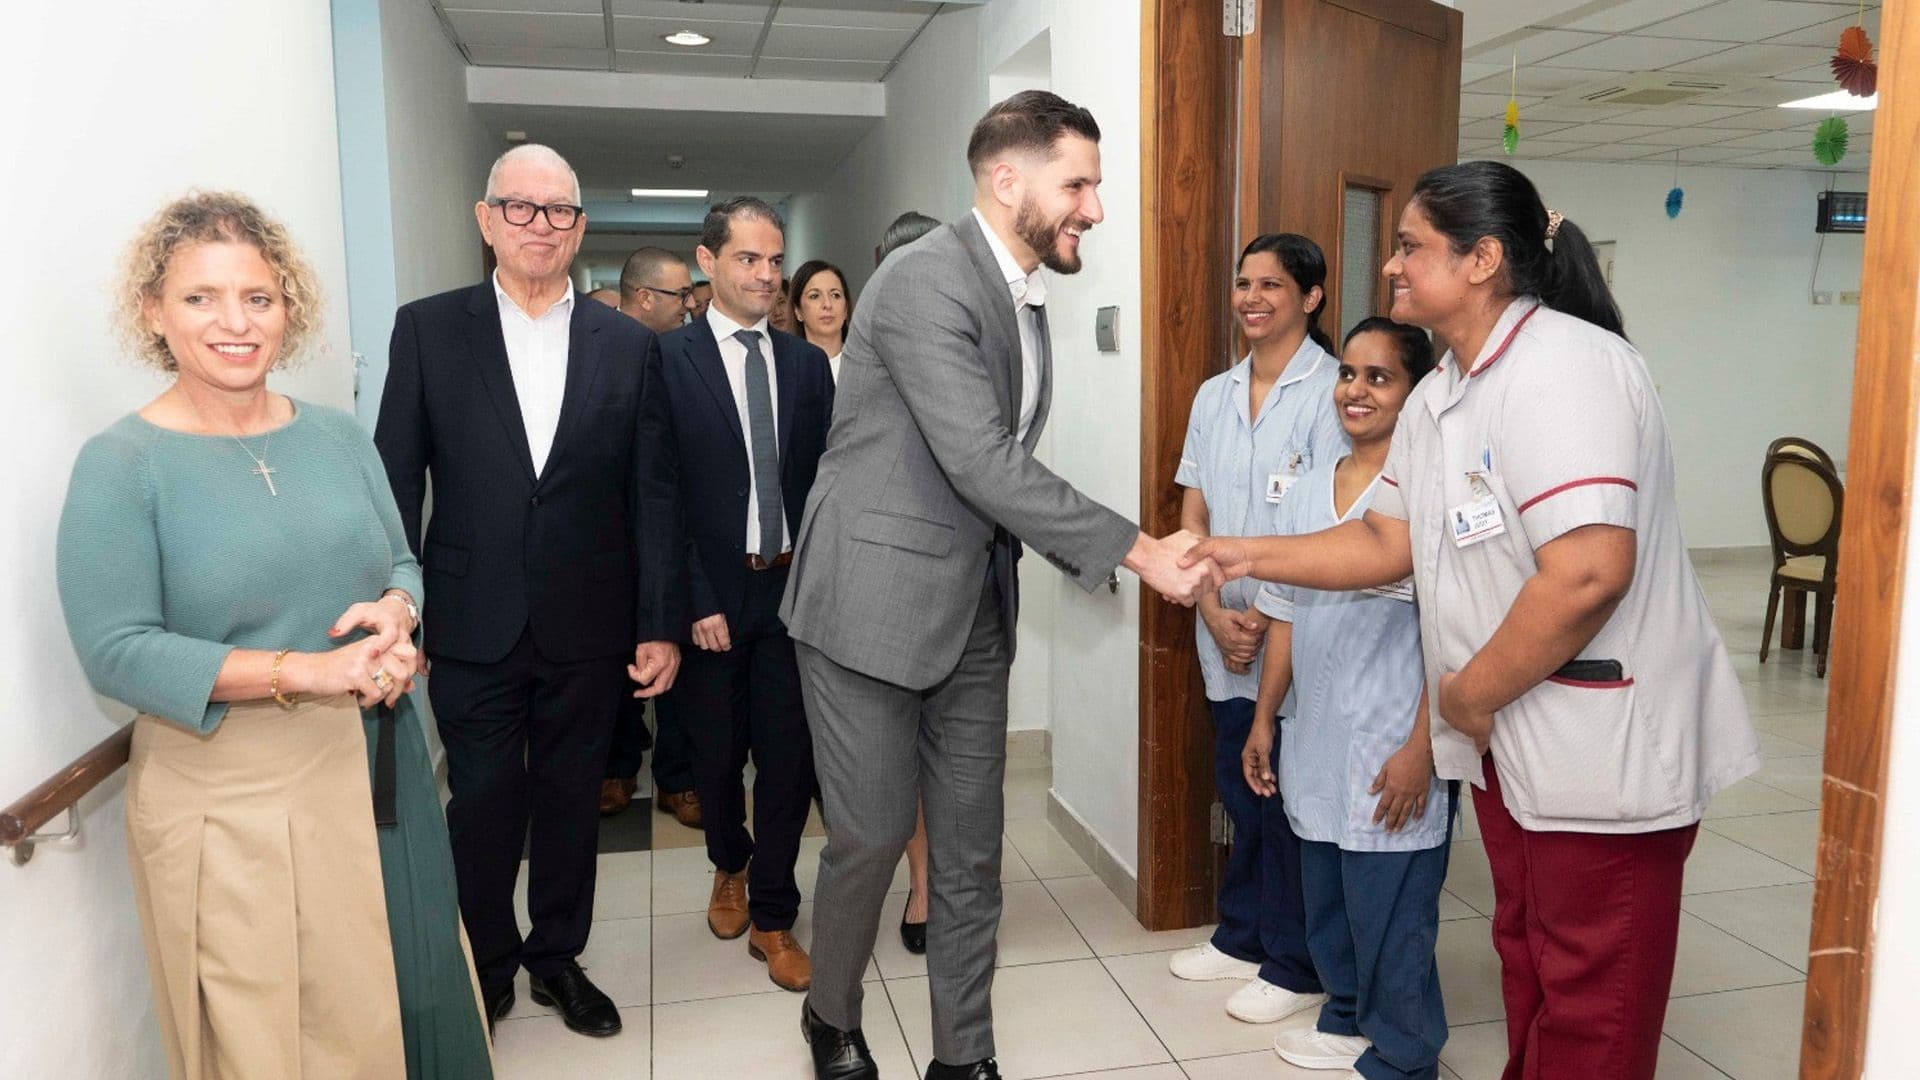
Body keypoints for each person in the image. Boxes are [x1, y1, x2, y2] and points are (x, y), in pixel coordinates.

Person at [1184, 160, 1761, 1080]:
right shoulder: (1446, 390)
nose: (1390, 266)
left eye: (1410, 246)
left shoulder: (1567, 369)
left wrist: (1462, 697)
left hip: (1599, 744)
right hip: (1515, 740)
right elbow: (1383, 539)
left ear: (1483, 259)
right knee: (1529, 959)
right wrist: (1239, 554)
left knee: (1593, 997)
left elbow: (1588, 574)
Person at [783, 90, 1217, 1080]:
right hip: (868, 604)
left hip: (975, 608)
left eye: (1095, 187)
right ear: (1007, 178)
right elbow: (980, 458)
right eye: (1080, 185)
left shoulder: (1023, 294)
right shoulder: (922, 280)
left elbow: (993, 464)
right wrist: (1139, 551)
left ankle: (962, 1058)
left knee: (972, 851)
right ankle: (830, 1011)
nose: (1094, 208)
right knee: (871, 836)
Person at [57, 191, 492, 1078]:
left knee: (415, 997)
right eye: (201, 297)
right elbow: (118, 650)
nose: (235, 322)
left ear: (288, 309)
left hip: (380, 770)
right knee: (285, 1038)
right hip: (231, 799)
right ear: (153, 311)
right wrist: (308, 672)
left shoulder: (336, 437)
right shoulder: (122, 466)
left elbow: (400, 560)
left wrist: (399, 612)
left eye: (258, 297)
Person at [375, 144, 685, 1040]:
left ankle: (556, 957)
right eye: (520, 207)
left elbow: (653, 493)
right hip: (470, 618)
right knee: (482, 803)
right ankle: (488, 960)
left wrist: (659, 621)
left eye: (558, 211)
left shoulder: (629, 345)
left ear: (579, 228)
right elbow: (395, 480)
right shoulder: (430, 330)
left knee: (570, 798)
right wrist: (402, 612)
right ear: (487, 220)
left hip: (589, 620)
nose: (539, 225)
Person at [1247, 317, 1449, 1080]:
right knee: (1328, 891)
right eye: (1348, 374)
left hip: (1393, 734)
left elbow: (1455, 636)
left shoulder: (1424, 497)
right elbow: (1285, 613)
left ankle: (1404, 1053)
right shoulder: (1308, 488)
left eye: (1380, 377)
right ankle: (1345, 1014)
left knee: (1389, 908)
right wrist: (1265, 718)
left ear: (1415, 392)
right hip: (1319, 729)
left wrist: (1423, 747)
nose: (1356, 391)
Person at [1165, 233, 1346, 1025]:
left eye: (1272, 284)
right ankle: (1242, 934)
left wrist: (1265, 618)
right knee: (1240, 788)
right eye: (1244, 283)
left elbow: (1332, 527)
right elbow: (1193, 512)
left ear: (1311, 297)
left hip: (1299, 631)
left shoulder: (1335, 391)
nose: (1252, 298)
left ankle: (1295, 961)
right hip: (1223, 628)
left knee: (1290, 799)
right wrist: (1212, 610)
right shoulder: (1215, 394)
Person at [656, 197, 835, 992]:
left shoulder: (804, 366)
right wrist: (694, 597)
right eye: (748, 259)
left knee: (789, 762)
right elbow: (659, 491)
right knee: (718, 755)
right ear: (708, 261)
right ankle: (729, 861)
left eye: (775, 260)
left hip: (794, 594)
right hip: (713, 601)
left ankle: (772, 911)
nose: (766, 275)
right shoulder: (669, 360)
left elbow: (827, 483)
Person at [603, 245, 703, 826]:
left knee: (675, 657)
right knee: (611, 661)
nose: (689, 304)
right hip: (607, 543)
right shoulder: (596, 351)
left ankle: (677, 779)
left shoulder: (681, 357)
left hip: (670, 533)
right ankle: (615, 768)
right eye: (679, 294)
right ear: (644, 297)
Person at [871, 210, 943, 958]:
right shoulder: (870, 362)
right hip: (887, 592)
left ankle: (951, 891)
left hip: (971, 588)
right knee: (900, 761)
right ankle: (920, 885)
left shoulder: (977, 346)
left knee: (955, 761)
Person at [789, 259, 851, 383]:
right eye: (814, 296)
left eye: (835, 295)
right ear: (798, 311)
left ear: (845, 309)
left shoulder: (865, 364)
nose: (827, 304)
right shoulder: (786, 369)